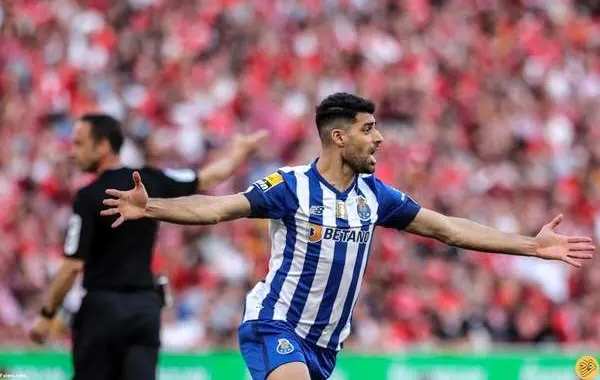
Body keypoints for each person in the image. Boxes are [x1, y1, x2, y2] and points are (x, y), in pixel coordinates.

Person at [101, 92, 596, 380]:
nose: (379, 138)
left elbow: (448, 229)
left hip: (325, 345)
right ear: (339, 137)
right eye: (368, 129)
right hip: (276, 325)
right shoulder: (290, 186)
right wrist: (154, 207)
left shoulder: (374, 196)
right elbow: (217, 209)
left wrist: (530, 246)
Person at [28, 113, 268, 380]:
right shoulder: (150, 179)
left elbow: (72, 265)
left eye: (80, 143)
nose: (74, 152)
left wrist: (47, 314)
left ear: (103, 146)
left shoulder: (88, 196)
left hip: (101, 312)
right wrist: (240, 152)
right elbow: (208, 177)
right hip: (143, 310)